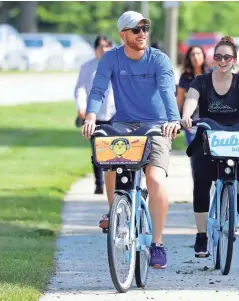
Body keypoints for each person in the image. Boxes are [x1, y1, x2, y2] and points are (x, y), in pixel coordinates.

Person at [81, 11, 181, 269]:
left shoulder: (159, 59)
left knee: (155, 178)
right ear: (123, 34)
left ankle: (157, 244)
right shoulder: (111, 58)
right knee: (108, 157)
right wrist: (91, 115)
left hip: (158, 125)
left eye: (145, 28)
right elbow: (98, 89)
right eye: (136, 30)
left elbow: (168, 91)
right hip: (124, 123)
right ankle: (116, 211)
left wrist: (173, 119)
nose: (142, 34)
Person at [180, 36, 239, 258]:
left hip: (234, 132)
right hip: (208, 132)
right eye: (218, 56)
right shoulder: (201, 80)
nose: (222, 61)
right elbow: (191, 98)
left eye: (227, 57)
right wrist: (186, 115)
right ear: (213, 59)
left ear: (234, 59)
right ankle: (201, 235)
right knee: (201, 181)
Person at [74, 36, 115, 194]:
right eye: (100, 47)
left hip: (114, 114)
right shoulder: (87, 67)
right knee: (98, 150)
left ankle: (113, 182)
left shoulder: (117, 66)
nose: (103, 50)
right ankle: (99, 183)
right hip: (94, 115)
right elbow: (80, 89)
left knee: (115, 150)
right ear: (95, 49)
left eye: (107, 46)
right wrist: (82, 107)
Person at [177, 45, 210, 147]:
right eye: (192, 54)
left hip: (209, 121)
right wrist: (177, 120)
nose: (195, 57)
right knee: (194, 154)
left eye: (198, 53)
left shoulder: (212, 74)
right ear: (189, 58)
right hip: (191, 122)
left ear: (203, 56)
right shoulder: (185, 77)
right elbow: (179, 100)